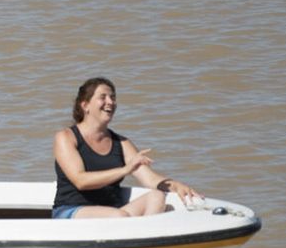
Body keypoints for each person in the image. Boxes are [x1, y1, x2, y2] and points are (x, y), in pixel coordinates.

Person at [52, 77, 203, 218]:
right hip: (71, 211)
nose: (110, 102)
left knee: (156, 196)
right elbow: (81, 181)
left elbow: (149, 178)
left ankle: (146, 242)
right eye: (103, 97)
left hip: (114, 212)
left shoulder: (122, 143)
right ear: (85, 105)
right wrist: (124, 170)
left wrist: (175, 185)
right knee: (119, 216)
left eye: (113, 97)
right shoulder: (66, 137)